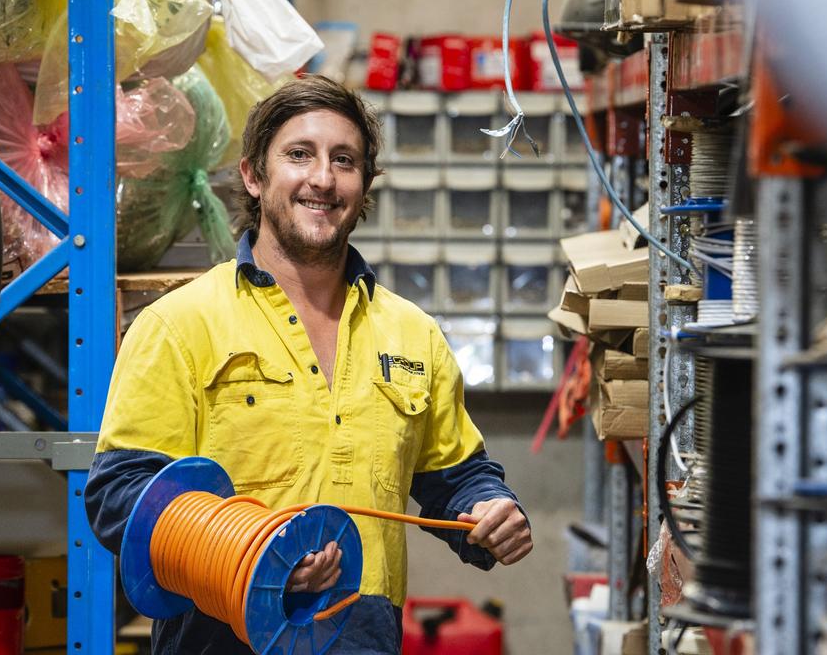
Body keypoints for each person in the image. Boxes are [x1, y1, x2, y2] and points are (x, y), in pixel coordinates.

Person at [85, 75, 532, 655]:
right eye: (300, 155)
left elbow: (454, 477)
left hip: (363, 637)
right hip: (220, 638)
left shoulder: (412, 334)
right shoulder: (180, 324)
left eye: (344, 160)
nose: (323, 178)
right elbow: (121, 495)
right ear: (253, 175)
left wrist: (491, 509)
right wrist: (255, 560)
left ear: (364, 184)